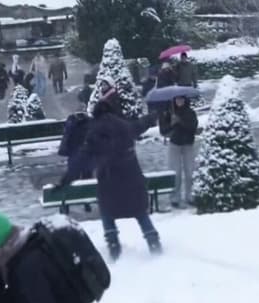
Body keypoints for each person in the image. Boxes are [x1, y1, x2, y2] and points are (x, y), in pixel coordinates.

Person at [57, 100, 160, 260]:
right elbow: (140, 124)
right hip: (132, 178)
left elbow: (80, 160)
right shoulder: (125, 126)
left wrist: (65, 180)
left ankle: (113, 246)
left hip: (110, 181)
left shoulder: (94, 132)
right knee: (139, 211)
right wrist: (152, 116)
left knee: (107, 212)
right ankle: (153, 241)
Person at [159, 96, 199, 207]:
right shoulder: (169, 112)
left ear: (185, 100)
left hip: (188, 144)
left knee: (190, 171)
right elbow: (163, 130)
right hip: (175, 144)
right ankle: (174, 198)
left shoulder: (190, 112)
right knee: (175, 172)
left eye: (181, 99)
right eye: (177, 99)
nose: (179, 101)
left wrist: (179, 121)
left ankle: (191, 195)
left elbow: (193, 128)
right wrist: (171, 123)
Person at [58, 112, 93, 212]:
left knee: (71, 179)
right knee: (87, 178)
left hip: (74, 157)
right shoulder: (89, 125)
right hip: (88, 157)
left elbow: (66, 141)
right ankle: (86, 202)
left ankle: (66, 204)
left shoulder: (71, 125)